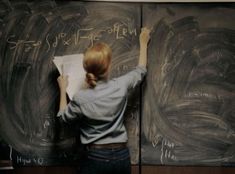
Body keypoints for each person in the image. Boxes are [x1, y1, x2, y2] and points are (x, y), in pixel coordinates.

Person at [57, 27, 150, 174]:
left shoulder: (81, 98)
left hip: (94, 158)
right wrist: (143, 43)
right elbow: (141, 70)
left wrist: (63, 90)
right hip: (121, 157)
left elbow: (63, 118)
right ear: (107, 67)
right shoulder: (121, 85)